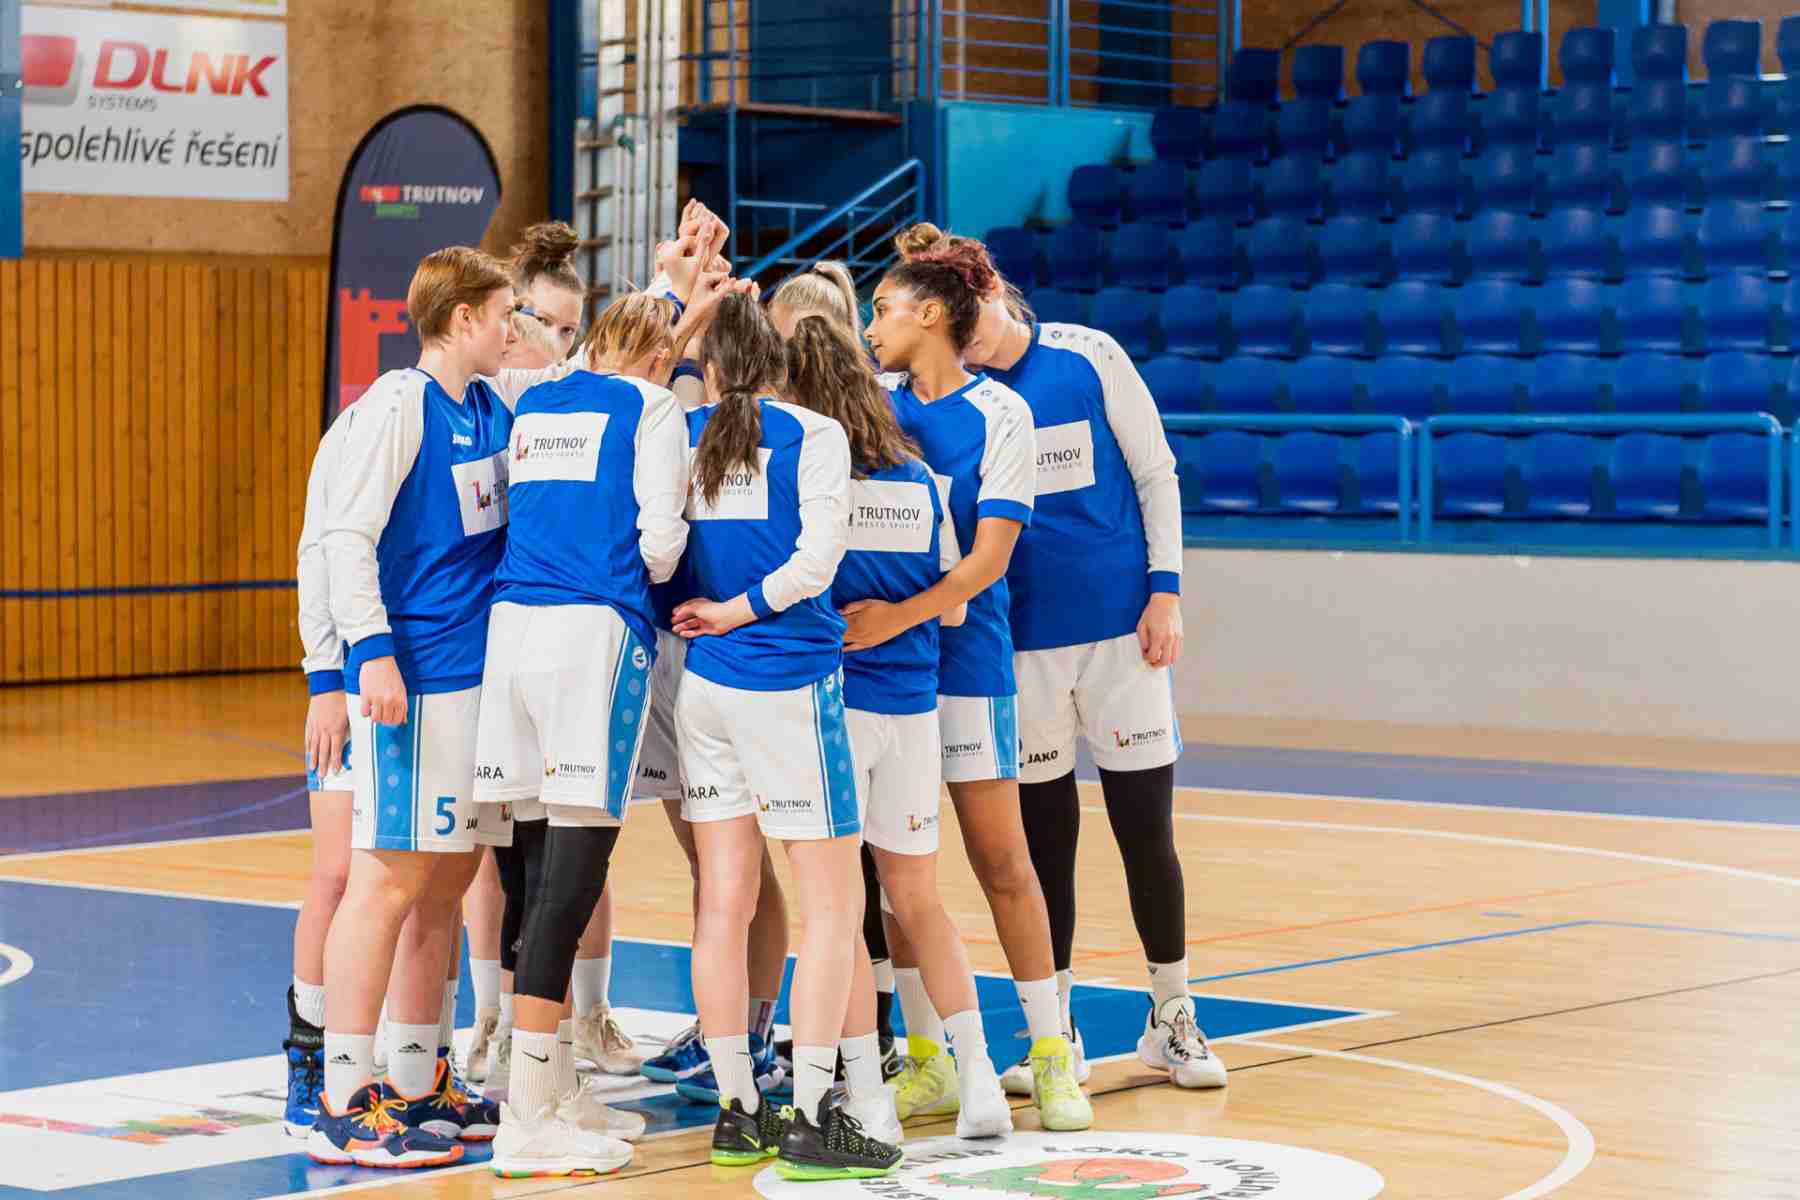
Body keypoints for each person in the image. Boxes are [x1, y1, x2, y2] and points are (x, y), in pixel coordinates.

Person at [906, 225, 1226, 1092]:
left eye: (968, 326)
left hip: (1123, 637)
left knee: (1145, 832)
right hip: (1020, 650)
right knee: (1045, 846)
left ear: (993, 295)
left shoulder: (1089, 355)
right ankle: (1061, 1033)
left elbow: (1155, 473)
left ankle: (1174, 1017)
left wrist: (1165, 591)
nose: (961, 345)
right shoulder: (950, 396)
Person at [852, 250, 1093, 1132]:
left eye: (882, 307)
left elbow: (990, 559)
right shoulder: (874, 405)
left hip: (968, 665)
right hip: (889, 675)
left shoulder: (1002, 412)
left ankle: (1053, 1054)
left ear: (929, 314)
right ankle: (931, 1061)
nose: (870, 326)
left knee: (1004, 864)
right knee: (899, 875)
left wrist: (897, 616)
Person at [671, 292, 900, 1180]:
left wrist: (704, 612)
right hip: (789, 685)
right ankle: (811, 1116)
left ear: (712, 369)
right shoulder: (815, 433)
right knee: (832, 906)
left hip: (705, 690)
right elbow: (816, 564)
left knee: (722, 903)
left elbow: (661, 552)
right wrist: (737, 609)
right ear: (777, 361)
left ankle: (739, 1110)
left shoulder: (684, 433)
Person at [474, 289, 693, 1177]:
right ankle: (528, 1115)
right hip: (592, 634)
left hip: (509, 636)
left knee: (531, 873)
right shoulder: (653, 406)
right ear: (657, 359)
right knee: (571, 880)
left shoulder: (538, 401)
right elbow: (662, 541)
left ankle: (555, 1086)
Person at [307, 247, 517, 1168]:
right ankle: (344, 1095)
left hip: (477, 681)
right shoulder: (400, 405)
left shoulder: (492, 407)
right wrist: (368, 653)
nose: (514, 330)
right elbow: (343, 537)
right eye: (504, 314)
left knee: (444, 885)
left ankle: (417, 1075)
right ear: (463, 318)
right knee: (384, 881)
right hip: (416, 678)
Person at [785, 314, 1012, 1139]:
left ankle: (869, 1098)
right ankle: (979, 1081)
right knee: (920, 900)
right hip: (915, 710)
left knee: (837, 912)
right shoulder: (920, 479)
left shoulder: (811, 481)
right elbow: (952, 611)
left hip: (837, 708)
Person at [283, 408, 359, 1137]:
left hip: (434, 680)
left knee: (420, 885)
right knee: (335, 874)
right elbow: (317, 557)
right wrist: (324, 681)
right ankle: (307, 1051)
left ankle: (410, 1058)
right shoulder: (358, 433)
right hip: (353, 682)